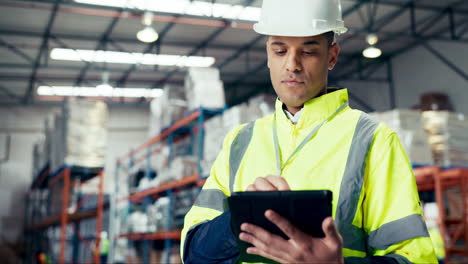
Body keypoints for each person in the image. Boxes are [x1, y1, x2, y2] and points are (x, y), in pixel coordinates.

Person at [181, 0, 437, 263]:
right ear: (268, 55)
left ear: (332, 56)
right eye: (280, 51)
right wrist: (240, 217)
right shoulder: (239, 142)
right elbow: (194, 254)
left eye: (308, 51)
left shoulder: (373, 140)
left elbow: (416, 258)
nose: (292, 65)